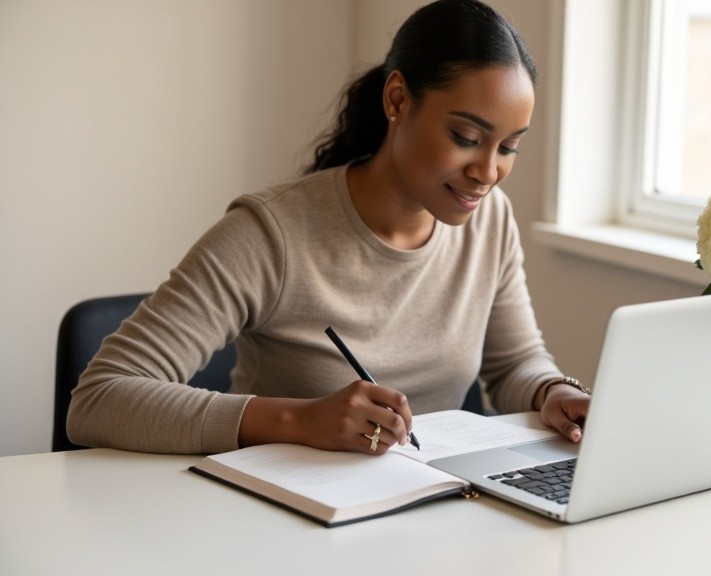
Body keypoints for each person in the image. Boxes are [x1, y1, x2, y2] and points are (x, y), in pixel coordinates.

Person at [67, 0, 590, 455]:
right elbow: (100, 398)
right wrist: (300, 420)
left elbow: (514, 363)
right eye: (466, 136)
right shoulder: (270, 234)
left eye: (510, 146)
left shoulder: (489, 221)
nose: (488, 172)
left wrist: (552, 392)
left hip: (427, 516)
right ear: (397, 100)